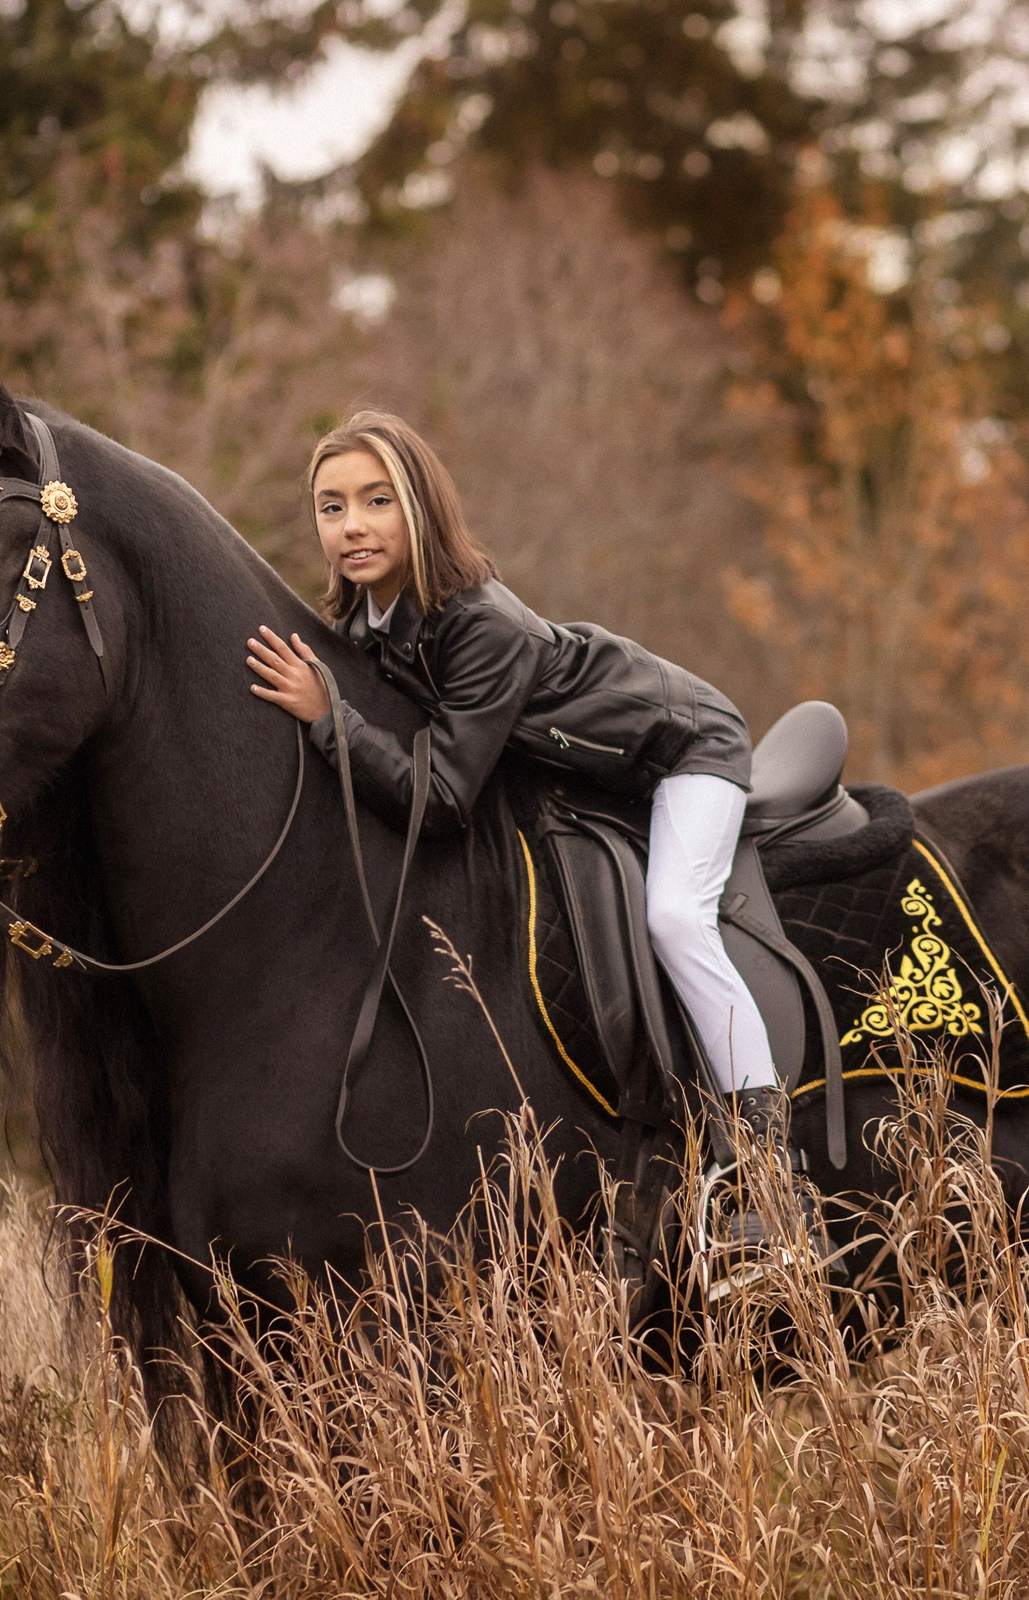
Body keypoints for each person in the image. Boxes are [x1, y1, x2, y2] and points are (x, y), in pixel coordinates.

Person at [244, 409, 806, 1274]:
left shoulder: (482, 624)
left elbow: (438, 795)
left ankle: (766, 1171)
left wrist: (331, 722)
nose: (350, 525)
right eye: (330, 507)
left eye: (375, 501)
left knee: (674, 919)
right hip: (576, 780)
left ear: (421, 511)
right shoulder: (366, 626)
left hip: (679, 752)